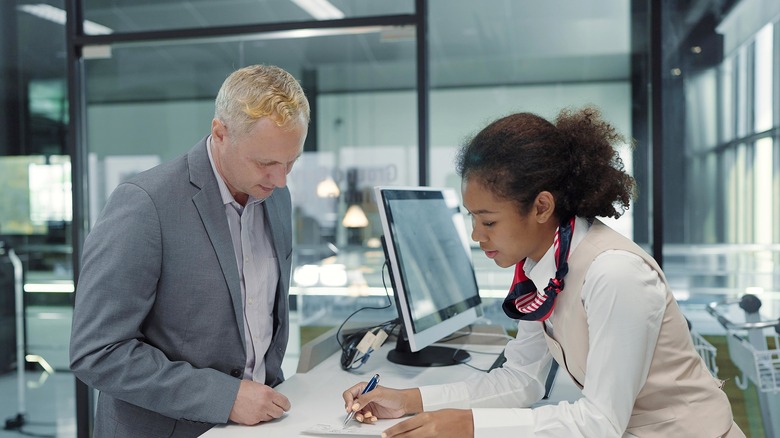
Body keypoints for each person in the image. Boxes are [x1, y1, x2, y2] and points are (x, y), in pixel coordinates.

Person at [342, 107, 744, 437]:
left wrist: (468, 424)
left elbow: (599, 423)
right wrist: (411, 399)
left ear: (541, 207)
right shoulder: (540, 267)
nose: (476, 235)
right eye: (472, 218)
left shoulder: (615, 274)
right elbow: (521, 379)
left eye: (489, 221)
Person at [70, 64, 309, 437]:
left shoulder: (276, 198)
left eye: (290, 162)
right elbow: (97, 352)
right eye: (266, 163)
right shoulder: (146, 204)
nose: (280, 179)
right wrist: (225, 396)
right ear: (220, 134)